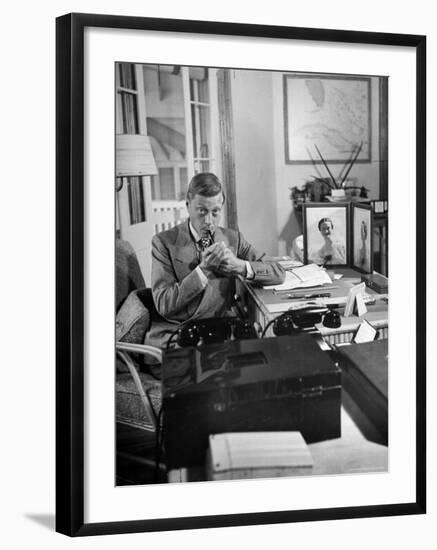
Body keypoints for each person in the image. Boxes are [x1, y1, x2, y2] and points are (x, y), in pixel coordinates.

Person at [146, 172, 285, 349]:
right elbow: (164, 304)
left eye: (215, 212)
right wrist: (202, 271)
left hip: (219, 332)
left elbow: (278, 273)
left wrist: (241, 266)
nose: (208, 221)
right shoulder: (164, 242)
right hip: (179, 335)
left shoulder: (234, 239)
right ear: (188, 205)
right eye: (202, 211)